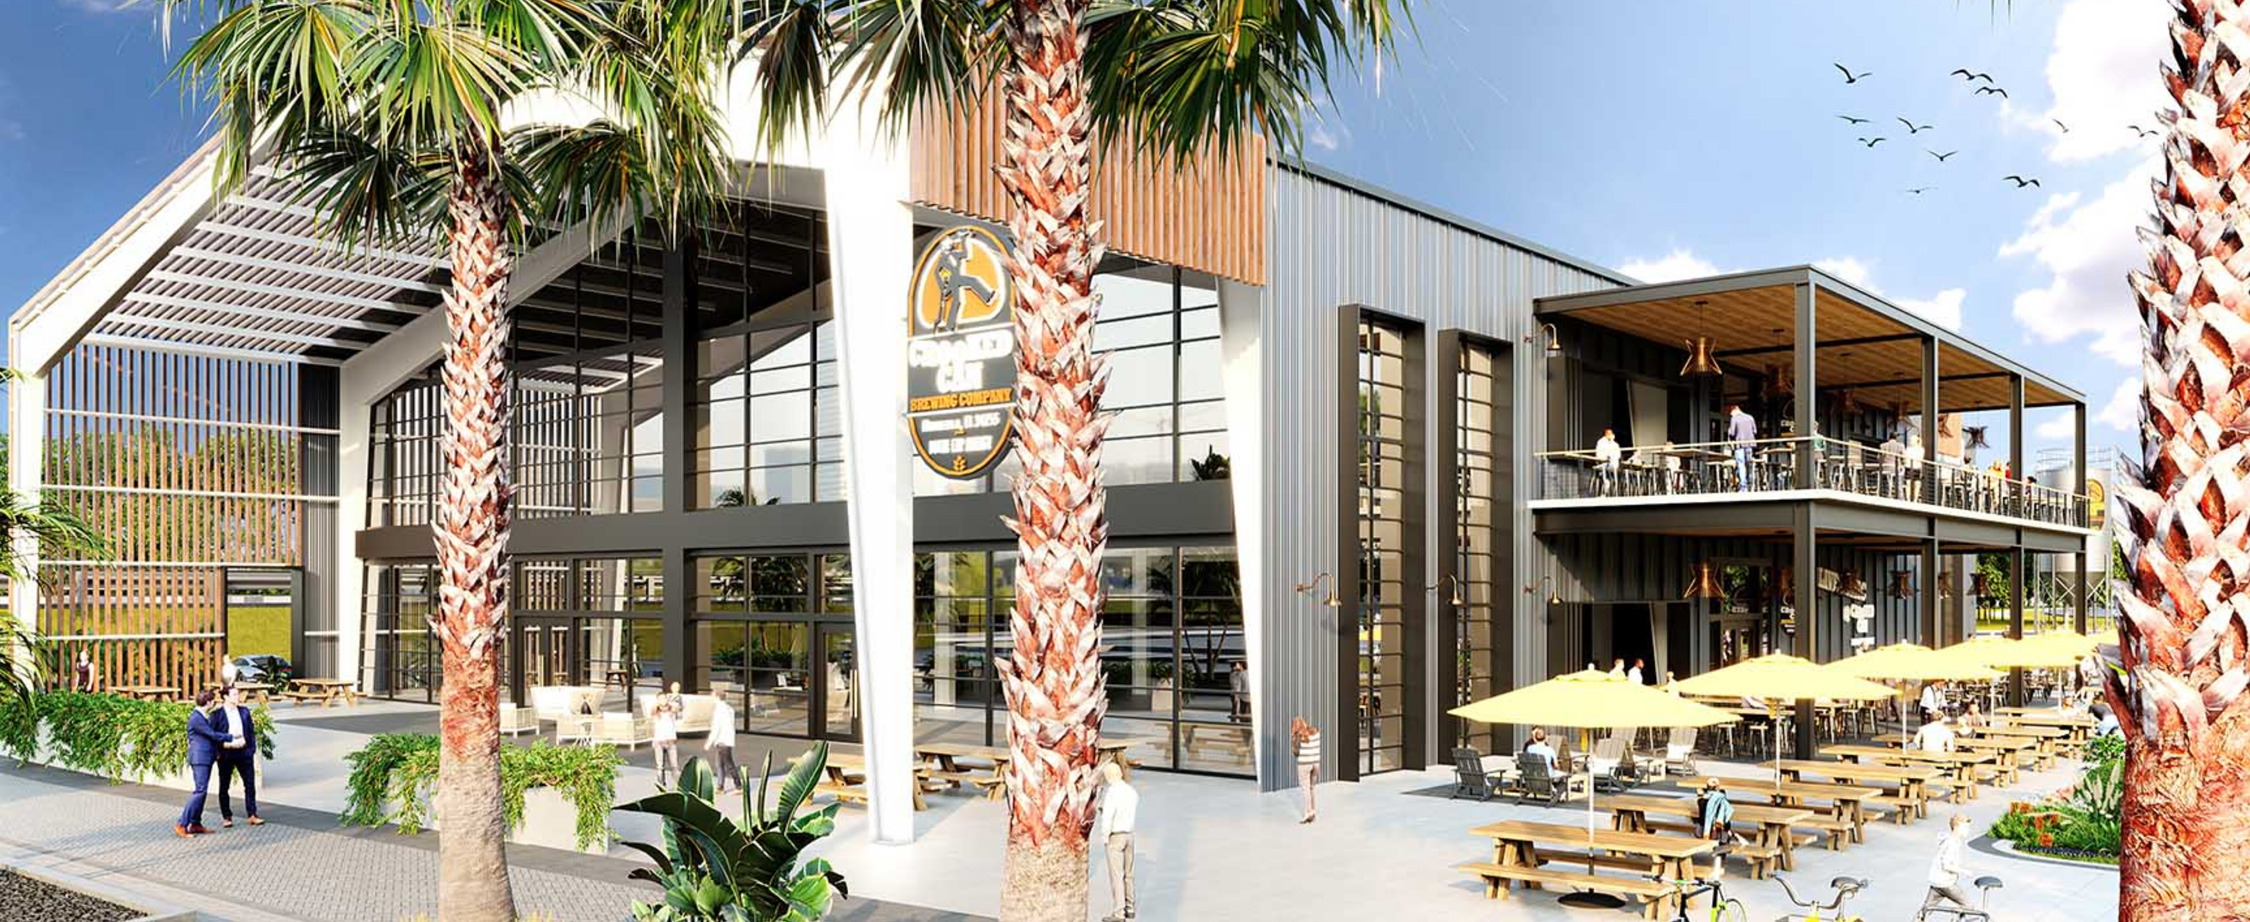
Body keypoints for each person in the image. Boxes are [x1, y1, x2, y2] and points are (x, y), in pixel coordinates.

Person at [175, 690, 227, 837]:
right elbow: (212, 735)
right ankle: (182, 823)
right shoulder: (196, 718)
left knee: (202, 791)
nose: (214, 703)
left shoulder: (203, 716)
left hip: (206, 757)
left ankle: (195, 823)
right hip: (200, 758)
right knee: (200, 791)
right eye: (213, 701)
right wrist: (231, 737)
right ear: (209, 702)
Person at [1095, 760, 1139, 922]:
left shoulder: (1112, 793)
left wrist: (1104, 836)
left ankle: (1119, 913)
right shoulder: (1131, 791)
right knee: (1129, 874)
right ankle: (1130, 907)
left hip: (1116, 836)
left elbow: (1108, 817)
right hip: (1130, 835)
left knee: (1116, 875)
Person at [214, 685, 263, 828]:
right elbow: (213, 736)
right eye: (234, 694)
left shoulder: (244, 712)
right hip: (226, 754)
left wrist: (251, 749)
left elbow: (251, 732)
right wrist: (218, 753)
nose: (237, 697)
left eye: (237, 694)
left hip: (244, 753)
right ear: (226, 697)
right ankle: (227, 816)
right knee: (224, 786)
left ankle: (252, 814)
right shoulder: (217, 715)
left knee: (249, 784)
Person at [1924, 814, 1976, 912]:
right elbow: (1946, 865)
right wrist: (1964, 871)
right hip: (1946, 883)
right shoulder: (1952, 843)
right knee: (1968, 906)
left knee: (1926, 910)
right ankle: (1955, 918)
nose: (1968, 831)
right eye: (1966, 827)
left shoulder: (1949, 840)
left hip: (1937, 883)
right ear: (1958, 826)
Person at [706, 692, 740, 793]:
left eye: (712, 696)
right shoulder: (729, 709)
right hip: (726, 740)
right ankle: (720, 787)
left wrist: (709, 742)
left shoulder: (719, 710)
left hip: (722, 740)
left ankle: (738, 786)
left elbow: (717, 727)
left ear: (717, 697)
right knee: (719, 764)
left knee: (729, 764)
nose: (711, 698)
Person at [652, 682, 683, 788]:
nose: (663, 701)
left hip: (670, 740)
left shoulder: (672, 710)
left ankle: (679, 786)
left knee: (674, 766)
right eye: (660, 699)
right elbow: (652, 712)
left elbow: (678, 707)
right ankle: (661, 786)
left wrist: (673, 698)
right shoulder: (655, 711)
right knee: (660, 766)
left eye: (664, 699)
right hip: (659, 741)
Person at [1290, 716, 1321, 823]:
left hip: (1304, 764)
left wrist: (1293, 738)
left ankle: (1307, 812)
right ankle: (1313, 810)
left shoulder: (1298, 737)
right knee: (1312, 788)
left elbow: (1296, 753)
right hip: (1316, 764)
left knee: (1306, 789)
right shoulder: (1316, 732)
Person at [1726, 404, 1758, 490]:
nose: (1730, 415)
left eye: (1730, 413)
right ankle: (1751, 483)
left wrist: (1729, 431)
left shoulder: (1734, 419)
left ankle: (1743, 487)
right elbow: (1755, 431)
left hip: (1739, 445)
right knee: (1749, 464)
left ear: (1734, 410)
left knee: (1741, 464)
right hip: (1749, 444)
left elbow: (1732, 433)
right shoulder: (1750, 417)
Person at [1593, 428, 1623, 495]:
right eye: (1609, 434)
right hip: (1603, 463)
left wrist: (1612, 457)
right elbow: (1599, 454)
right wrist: (1606, 457)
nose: (1611, 435)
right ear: (1606, 434)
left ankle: (1613, 488)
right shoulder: (1601, 442)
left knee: (1614, 468)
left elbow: (1618, 455)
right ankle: (1605, 483)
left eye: (1611, 433)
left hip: (1613, 464)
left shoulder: (1615, 444)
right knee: (1604, 467)